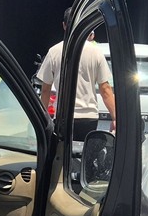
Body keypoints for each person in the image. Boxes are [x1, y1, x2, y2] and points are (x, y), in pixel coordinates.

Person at [36, 8, 116, 140]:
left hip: (63, 118)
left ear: (64, 25)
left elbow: (45, 90)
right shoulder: (96, 52)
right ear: (82, 24)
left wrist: (42, 119)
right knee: (85, 155)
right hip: (89, 118)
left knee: (64, 157)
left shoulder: (54, 52)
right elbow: (105, 89)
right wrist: (115, 118)